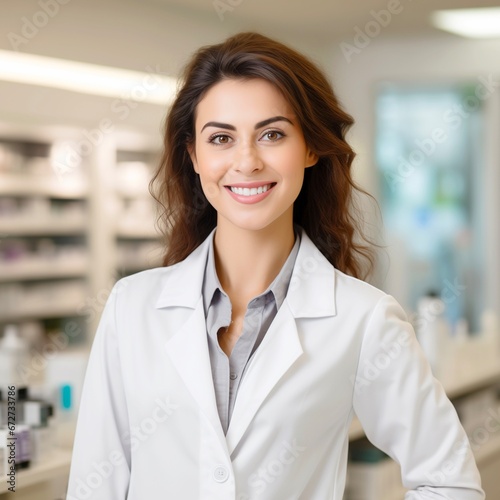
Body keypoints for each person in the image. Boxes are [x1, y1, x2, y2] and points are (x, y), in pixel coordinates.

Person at [67, 32, 484, 499]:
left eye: (272, 134)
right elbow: (94, 485)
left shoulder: (363, 319)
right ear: (194, 155)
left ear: (310, 149)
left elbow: (449, 482)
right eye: (221, 138)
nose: (246, 161)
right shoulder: (132, 307)